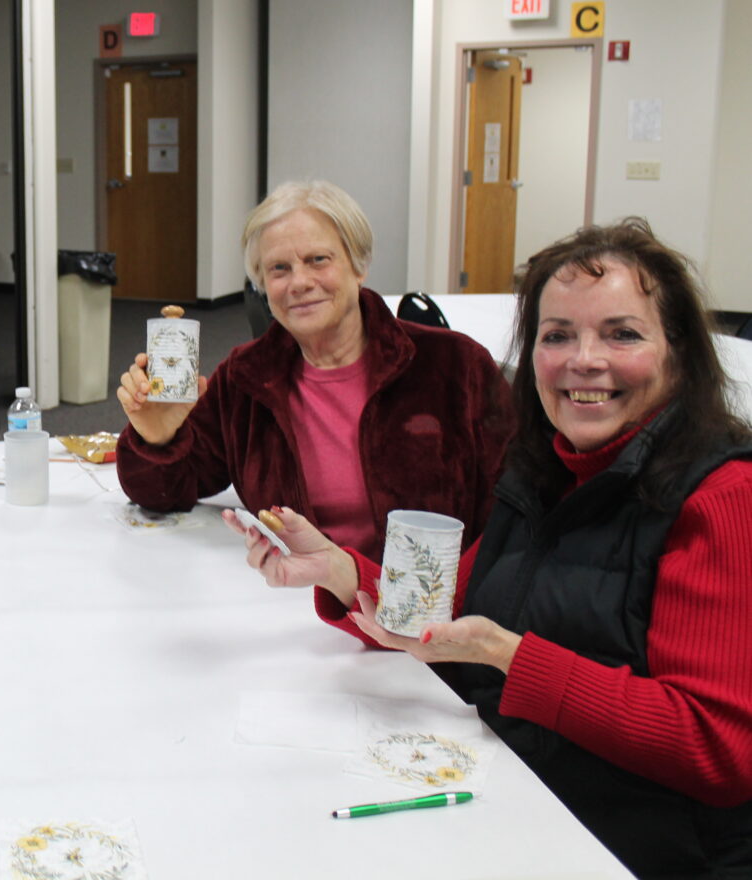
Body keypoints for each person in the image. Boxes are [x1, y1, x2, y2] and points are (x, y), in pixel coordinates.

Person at [240, 218, 752, 878]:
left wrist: (510, 659)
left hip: (638, 848)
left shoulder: (722, 496)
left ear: (678, 353)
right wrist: (342, 571)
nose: (583, 359)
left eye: (621, 333)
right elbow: (458, 609)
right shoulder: (543, 468)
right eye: (557, 335)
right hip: (522, 798)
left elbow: (717, 748)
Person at [116, 180, 513, 561]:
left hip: (427, 615)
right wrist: (157, 438)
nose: (299, 282)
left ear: (358, 267)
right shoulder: (246, 378)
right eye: (278, 268)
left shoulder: (455, 367)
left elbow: (518, 502)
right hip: (296, 604)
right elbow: (167, 495)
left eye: (317, 260)